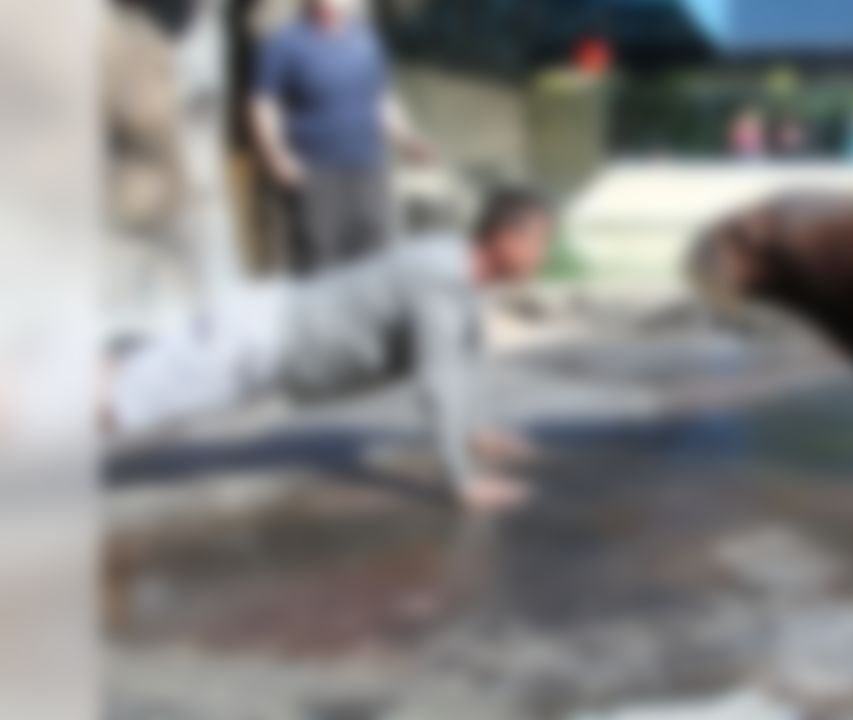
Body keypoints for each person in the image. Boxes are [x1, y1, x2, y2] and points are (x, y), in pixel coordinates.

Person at [102, 187, 553, 513]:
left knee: (117, 384)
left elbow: (464, 358)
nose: (543, 255)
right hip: (257, 344)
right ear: (506, 240)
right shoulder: (442, 278)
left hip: (265, 335)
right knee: (116, 403)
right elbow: (439, 383)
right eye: (540, 242)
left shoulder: (460, 275)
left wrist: (475, 430)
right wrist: (464, 481)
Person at [249, 0, 430, 275]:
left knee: (375, 260)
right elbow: (263, 105)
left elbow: (381, 101)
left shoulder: (367, 42)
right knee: (320, 264)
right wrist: (278, 158)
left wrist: (408, 139)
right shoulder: (285, 44)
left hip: (368, 170)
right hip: (316, 175)